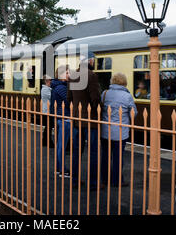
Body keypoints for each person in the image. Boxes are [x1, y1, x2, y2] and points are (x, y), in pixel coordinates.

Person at [68, 51, 102, 190]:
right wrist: (100, 109)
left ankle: (75, 180)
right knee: (93, 152)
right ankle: (93, 183)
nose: (93, 62)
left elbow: (69, 98)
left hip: (76, 119)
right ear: (89, 61)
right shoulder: (91, 75)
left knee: (76, 151)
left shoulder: (73, 75)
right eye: (93, 60)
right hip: (90, 120)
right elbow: (95, 98)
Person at [101, 73, 137, 187]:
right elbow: (133, 113)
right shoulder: (127, 96)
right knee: (118, 157)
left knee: (105, 156)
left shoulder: (105, 93)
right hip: (120, 133)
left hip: (105, 131)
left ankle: (104, 179)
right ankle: (117, 181)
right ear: (124, 82)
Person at [50, 65, 71, 177]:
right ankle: (62, 170)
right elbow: (69, 103)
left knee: (60, 145)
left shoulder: (58, 86)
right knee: (62, 146)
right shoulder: (61, 88)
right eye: (67, 73)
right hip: (65, 118)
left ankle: (59, 168)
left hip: (61, 118)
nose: (70, 75)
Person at [41, 75, 55, 148]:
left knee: (48, 127)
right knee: (48, 127)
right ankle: (47, 141)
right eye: (50, 80)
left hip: (47, 110)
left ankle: (45, 141)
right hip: (47, 111)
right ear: (47, 81)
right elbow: (52, 96)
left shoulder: (47, 89)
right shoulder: (45, 89)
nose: (51, 81)